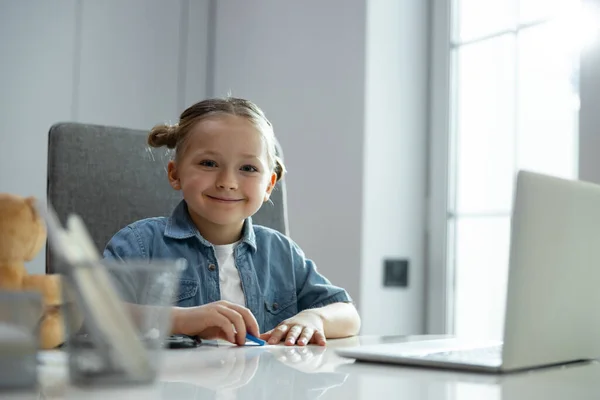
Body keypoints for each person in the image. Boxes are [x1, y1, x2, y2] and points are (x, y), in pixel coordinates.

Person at [103, 97, 361, 346]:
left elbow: (349, 316)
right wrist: (182, 319)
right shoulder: (139, 243)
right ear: (175, 174)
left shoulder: (282, 253)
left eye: (248, 168)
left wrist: (313, 317)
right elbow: (94, 313)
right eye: (209, 163)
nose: (227, 181)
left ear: (269, 185)